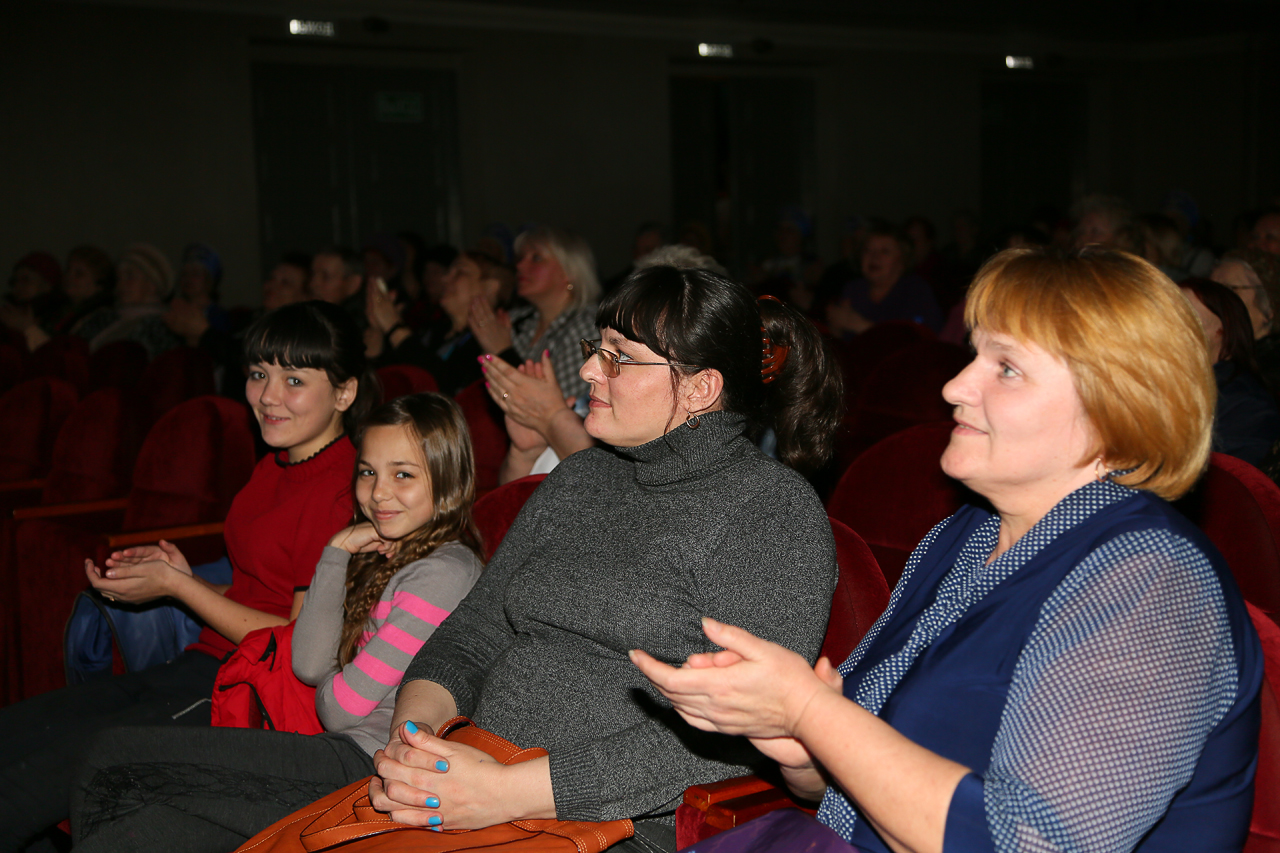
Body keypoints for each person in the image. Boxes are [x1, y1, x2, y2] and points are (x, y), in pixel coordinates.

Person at [633, 247, 1264, 853]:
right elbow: (865, 785)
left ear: (1116, 409)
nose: (956, 386)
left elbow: (1031, 843)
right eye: (974, 355)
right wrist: (800, 749)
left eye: (1006, 368)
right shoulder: (967, 535)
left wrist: (809, 711)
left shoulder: (1153, 584)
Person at [354, 265, 843, 852]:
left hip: (616, 825)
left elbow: (729, 733)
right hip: (475, 772)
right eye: (598, 348)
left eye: (619, 358)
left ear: (700, 389)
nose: (589, 370)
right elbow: (474, 631)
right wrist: (414, 741)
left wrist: (508, 792)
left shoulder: (772, 512)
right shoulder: (580, 477)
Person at [0, 300, 376, 852]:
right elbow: (260, 589)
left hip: (244, 690)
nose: (268, 396)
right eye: (258, 374)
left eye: (294, 380)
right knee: (16, 734)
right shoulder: (276, 462)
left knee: (31, 782)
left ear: (344, 393)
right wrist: (178, 578)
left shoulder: (340, 489)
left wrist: (180, 588)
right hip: (199, 663)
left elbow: (295, 641)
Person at [70, 393, 486, 853]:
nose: (379, 492)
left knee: (111, 756)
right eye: (368, 472)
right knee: (139, 829)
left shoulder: (442, 573)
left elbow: (339, 708)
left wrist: (334, 683)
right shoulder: (393, 555)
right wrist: (337, 551)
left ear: (449, 481)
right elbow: (307, 663)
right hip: (341, 754)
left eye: (402, 474)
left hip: (363, 772)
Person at [468, 225, 599, 402]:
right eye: (520, 258)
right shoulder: (518, 320)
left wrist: (503, 352)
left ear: (570, 272)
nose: (520, 265)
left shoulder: (586, 328)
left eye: (536, 258)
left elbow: (558, 408)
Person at [366, 250, 506, 396]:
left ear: (490, 287)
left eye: (460, 273)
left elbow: (447, 389)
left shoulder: (493, 342)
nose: (444, 278)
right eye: (448, 272)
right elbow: (390, 383)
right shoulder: (432, 331)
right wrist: (377, 330)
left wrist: (394, 327)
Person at [1181, 277, 1280, 467]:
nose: (1166, 325)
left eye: (1185, 313)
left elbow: (1231, 480)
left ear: (1224, 327)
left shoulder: (1247, 406)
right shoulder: (1165, 384)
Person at [826, 224, 942, 335]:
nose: (874, 257)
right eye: (868, 250)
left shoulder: (916, 290)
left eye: (884, 251)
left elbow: (920, 341)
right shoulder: (854, 289)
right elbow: (839, 340)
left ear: (902, 260)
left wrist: (860, 325)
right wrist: (835, 325)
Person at [74, 243, 182, 358]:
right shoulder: (101, 318)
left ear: (152, 285)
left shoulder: (163, 329)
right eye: (118, 278)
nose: (121, 284)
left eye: (130, 276)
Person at [1211, 248, 1280, 390]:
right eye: (1211, 290)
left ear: (1268, 306)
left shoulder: (1266, 376)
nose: (1212, 302)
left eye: (1230, 290)